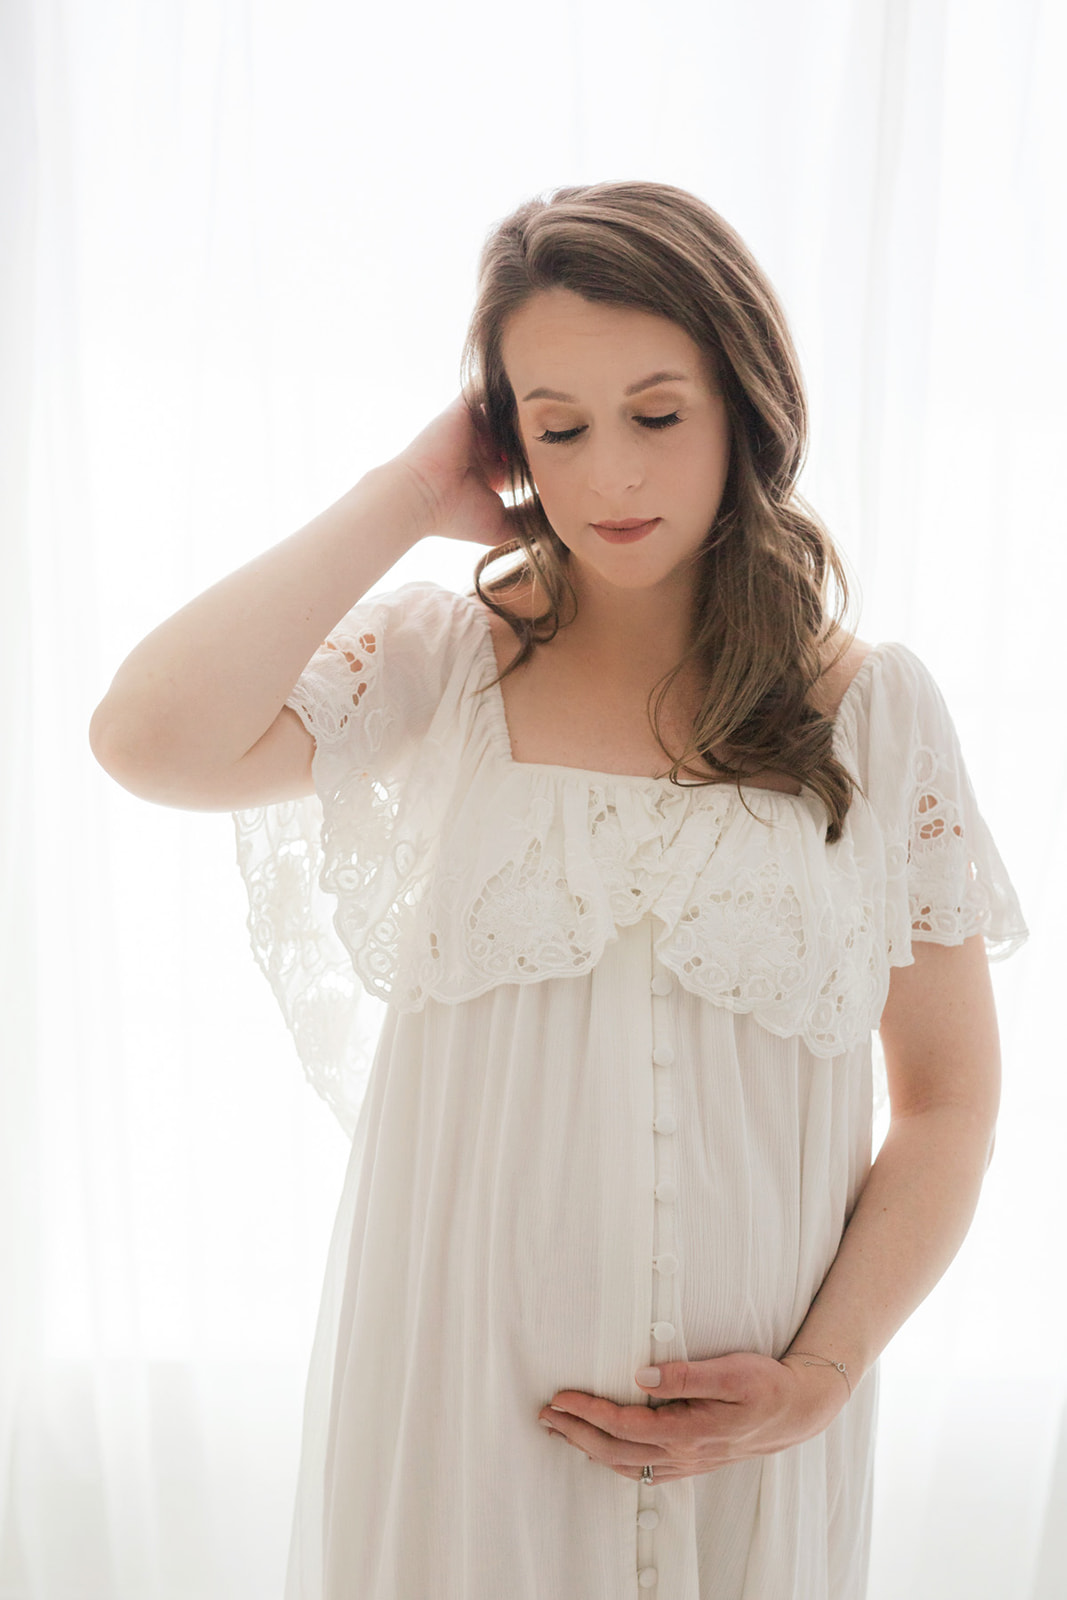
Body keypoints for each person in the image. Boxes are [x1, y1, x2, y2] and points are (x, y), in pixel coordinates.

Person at [89, 180, 1029, 1600]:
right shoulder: (446, 660)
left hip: (751, 1445)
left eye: (658, 414)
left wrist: (819, 1379)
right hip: (463, 1418)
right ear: (505, 436)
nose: (610, 479)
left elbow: (950, 1097)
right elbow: (146, 738)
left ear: (744, 404)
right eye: (558, 425)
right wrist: (408, 496)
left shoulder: (876, 714)